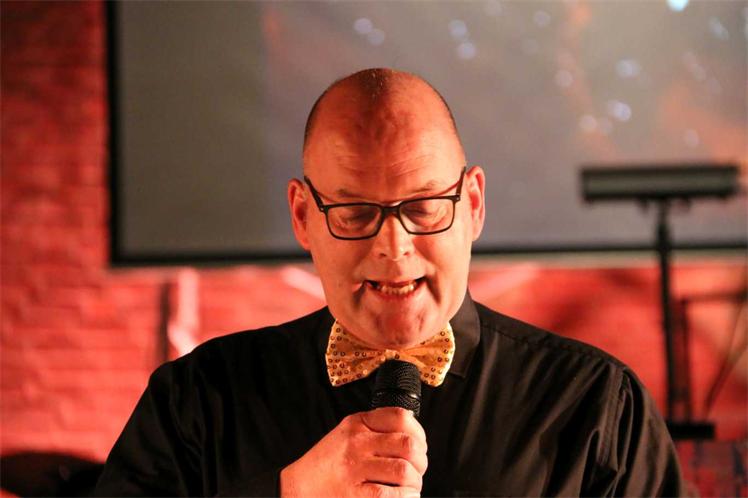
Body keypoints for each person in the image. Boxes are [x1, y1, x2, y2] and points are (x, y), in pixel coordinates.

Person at [95, 68, 685, 497]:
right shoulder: (196, 400)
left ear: (473, 205)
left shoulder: (597, 405)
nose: (393, 246)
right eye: (354, 213)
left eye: (424, 208)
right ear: (302, 216)